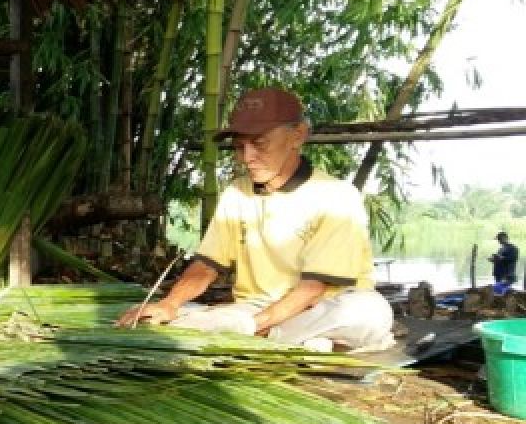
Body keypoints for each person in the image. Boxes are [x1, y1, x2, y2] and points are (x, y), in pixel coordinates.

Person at [115, 86, 394, 353]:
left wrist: (252, 326)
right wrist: (170, 303)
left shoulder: (336, 196)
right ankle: (295, 342)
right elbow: (206, 265)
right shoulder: (237, 193)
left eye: (259, 143)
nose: (247, 157)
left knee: (368, 314)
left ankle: (265, 337)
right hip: (255, 308)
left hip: (319, 307)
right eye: (239, 147)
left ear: (297, 135)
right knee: (168, 319)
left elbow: (313, 289)